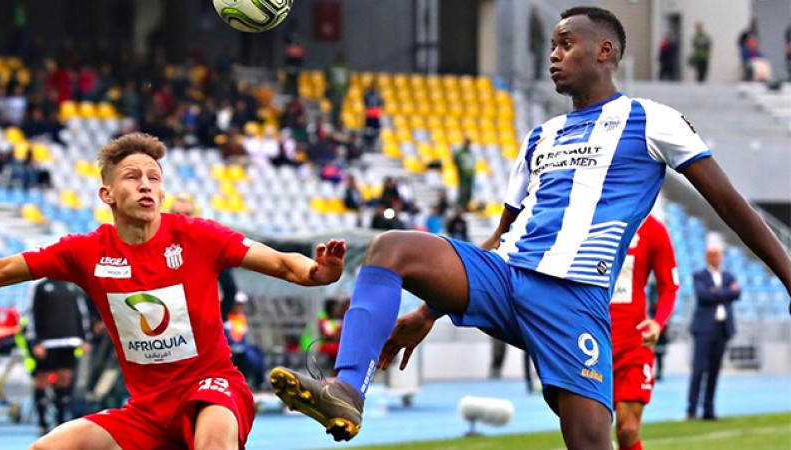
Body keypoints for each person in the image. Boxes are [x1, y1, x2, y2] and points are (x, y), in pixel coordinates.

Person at [268, 7, 791, 449]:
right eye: (552, 46)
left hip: (573, 298)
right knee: (391, 247)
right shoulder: (541, 136)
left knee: (589, 441)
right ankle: (348, 389)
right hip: (505, 277)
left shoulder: (652, 120)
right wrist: (428, 312)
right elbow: (501, 236)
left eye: (566, 44)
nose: (553, 56)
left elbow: (731, 206)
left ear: (605, 51)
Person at [0, 132, 346, 450]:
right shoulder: (85, 251)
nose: (145, 185)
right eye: (132, 176)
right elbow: (1, 270)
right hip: (146, 410)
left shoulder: (199, 236)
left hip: (213, 387)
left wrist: (317, 272)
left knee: (212, 442)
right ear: (107, 193)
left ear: (162, 193)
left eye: (154, 178)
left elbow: (283, 263)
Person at [609, 214, 678, 450]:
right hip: (591, 342)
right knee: (589, 431)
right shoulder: (591, 219)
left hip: (633, 344)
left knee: (627, 429)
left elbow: (669, 287)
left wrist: (658, 323)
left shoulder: (653, 230)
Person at [25, 278, 94, 435]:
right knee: (42, 380)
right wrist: (35, 342)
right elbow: (31, 313)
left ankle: (61, 422)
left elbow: (82, 312)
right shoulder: (39, 285)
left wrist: (85, 338)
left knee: (65, 379)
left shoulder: (72, 285)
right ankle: (42, 422)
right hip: (46, 342)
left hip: (69, 340)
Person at [687, 240, 741, 421]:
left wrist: (716, 292)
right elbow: (703, 296)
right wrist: (726, 292)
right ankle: (692, 409)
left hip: (722, 329)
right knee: (698, 369)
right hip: (704, 329)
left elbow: (737, 293)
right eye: (711, 255)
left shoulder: (728, 276)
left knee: (714, 371)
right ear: (706, 257)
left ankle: (708, 408)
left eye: (717, 255)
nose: (715, 258)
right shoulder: (699, 276)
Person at [170, 193, 239, 319]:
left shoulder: (206, 244)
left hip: (199, 318)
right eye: (177, 215)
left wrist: (220, 317)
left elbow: (230, 287)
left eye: (186, 215)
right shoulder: (158, 244)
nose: (181, 220)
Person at [453, 138, 476, 210]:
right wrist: (460, 168)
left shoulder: (470, 153)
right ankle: (460, 207)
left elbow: (472, 164)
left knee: (468, 192)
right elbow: (456, 161)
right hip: (463, 175)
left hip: (470, 175)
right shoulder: (460, 153)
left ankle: (466, 206)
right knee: (462, 191)